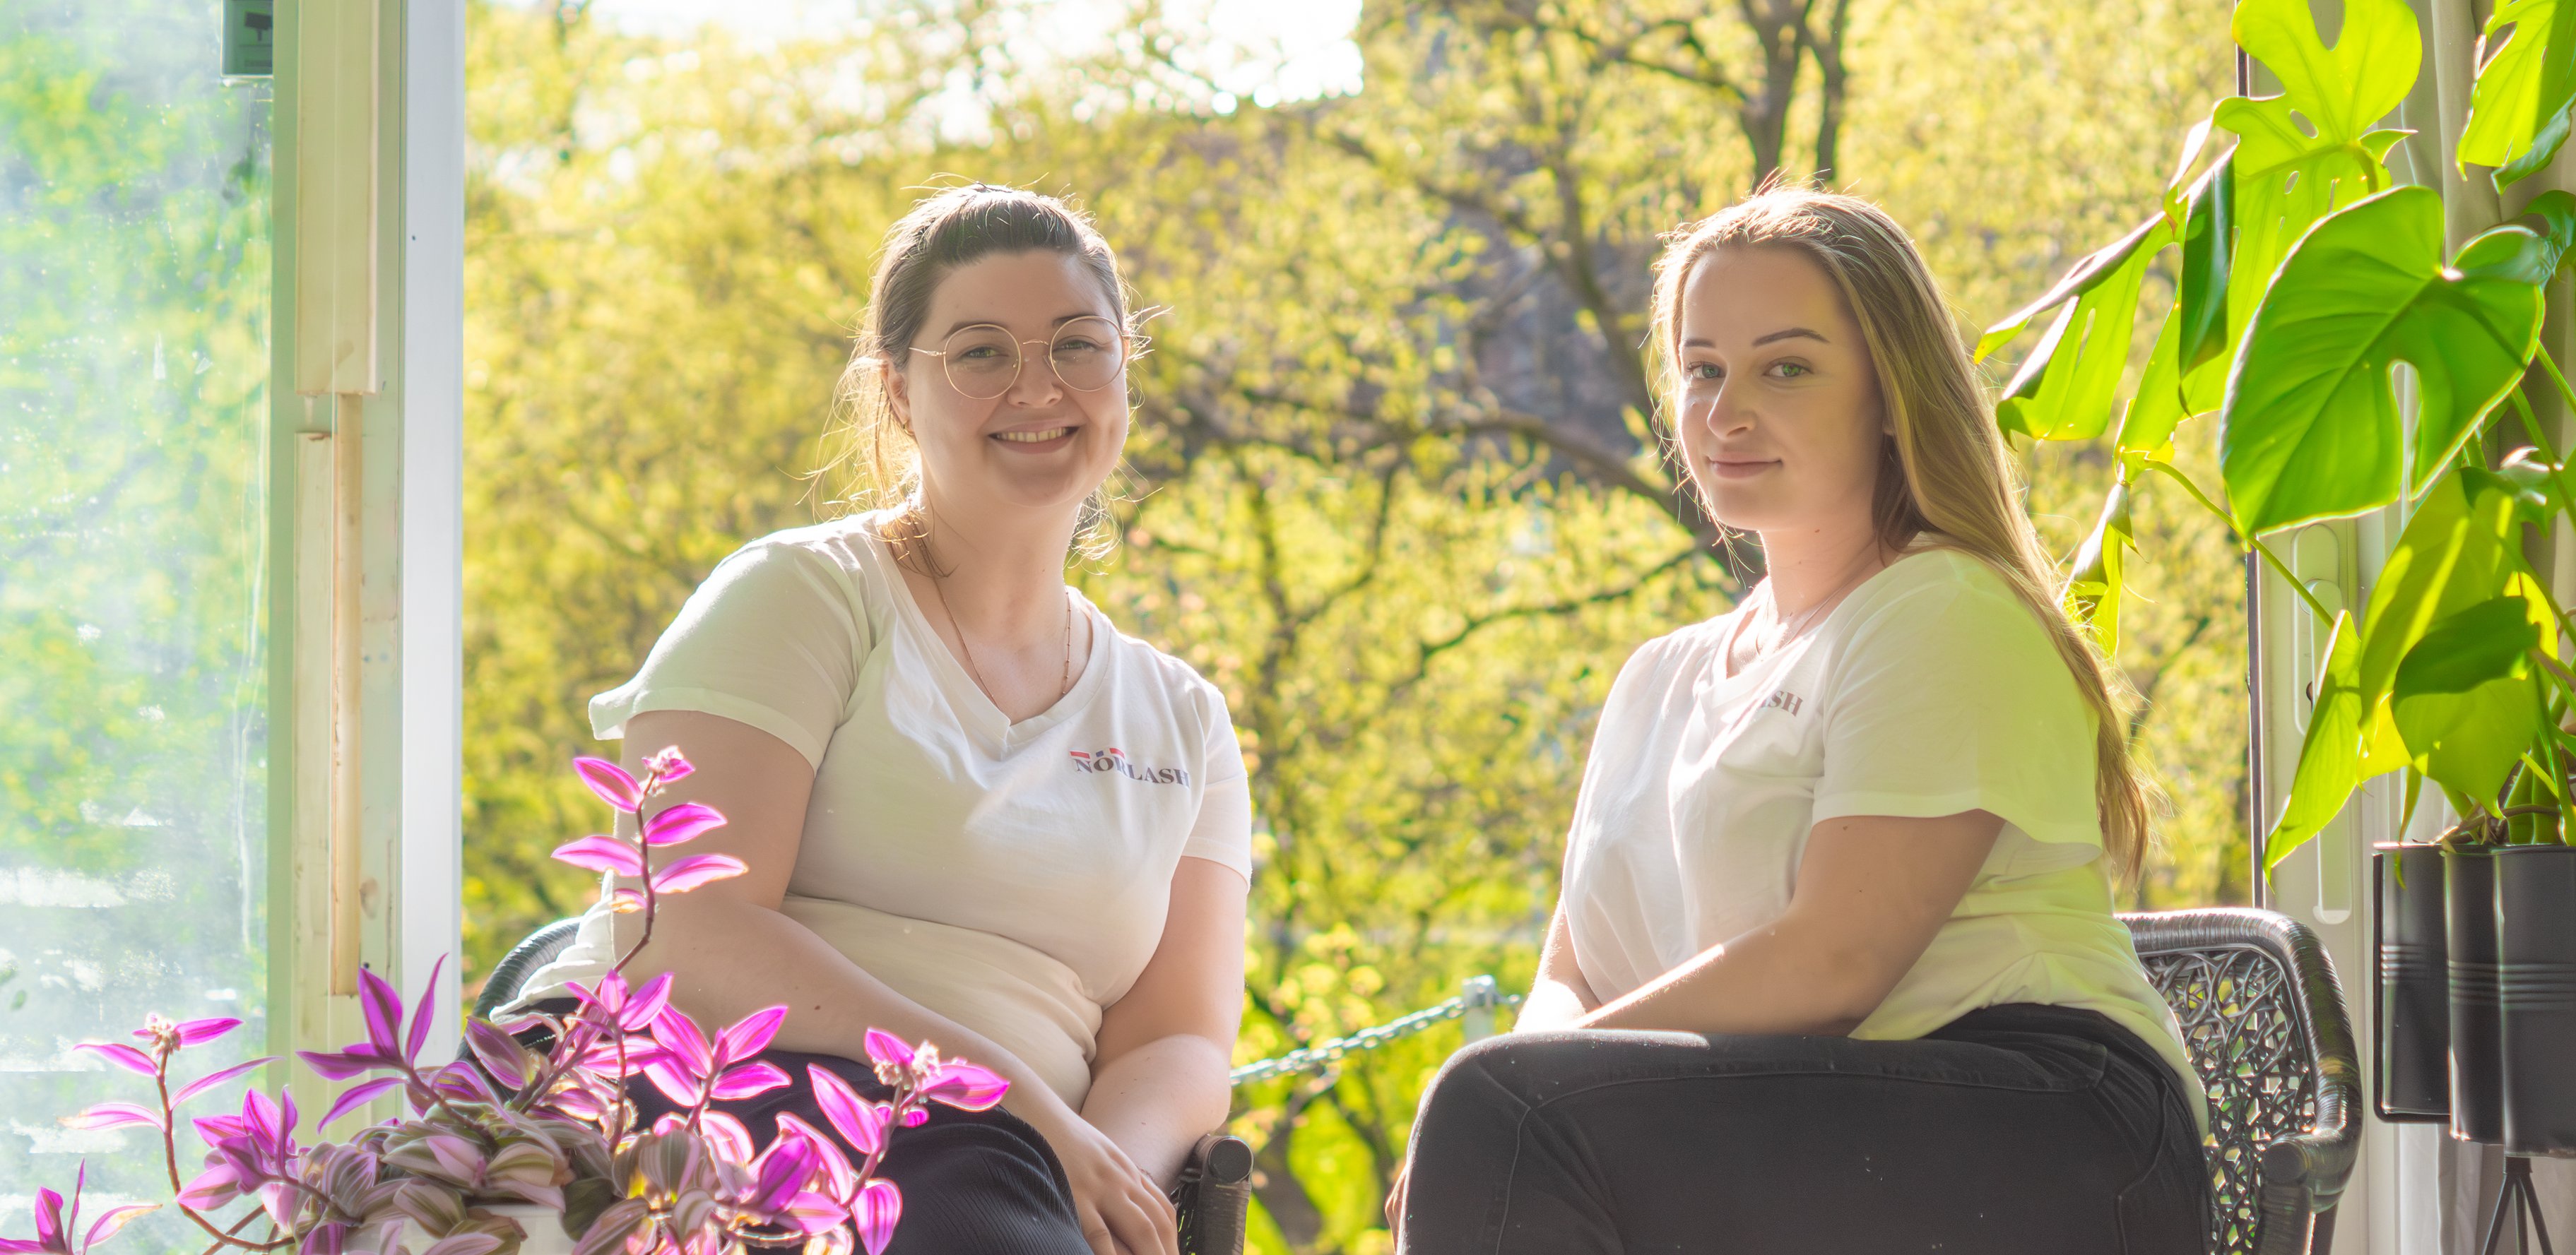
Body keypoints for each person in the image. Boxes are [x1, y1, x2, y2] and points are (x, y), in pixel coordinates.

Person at [1392, 186, 2214, 1254]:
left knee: (1503, 1114)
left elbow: (1836, 963)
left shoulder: (1942, 610)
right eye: (1702, 369)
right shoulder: (1659, 678)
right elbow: (1575, 971)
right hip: (1809, 1120)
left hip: (2054, 1123)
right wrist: (1525, 1077)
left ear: (1888, 393)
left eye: (1785, 367)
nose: (1727, 411)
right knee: (1501, 1114)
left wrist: (1523, 1094)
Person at [507, 184, 1248, 1255]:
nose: (1038, 386)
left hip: (1006, 1173)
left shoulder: (1183, 717)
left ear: (1125, 366)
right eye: (982, 352)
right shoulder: (802, 595)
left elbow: (1179, 1036)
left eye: (1078, 345)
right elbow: (685, 929)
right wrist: (1019, 1108)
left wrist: (1098, 1177)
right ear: (900, 393)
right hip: (730, 1099)